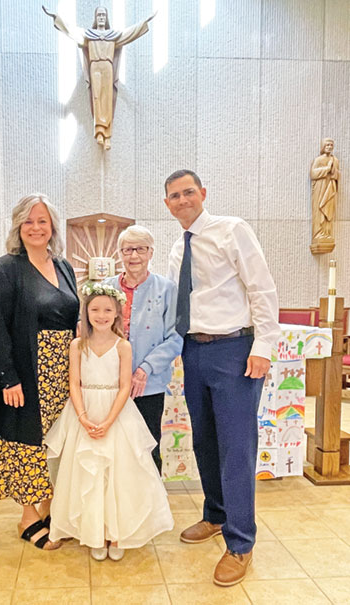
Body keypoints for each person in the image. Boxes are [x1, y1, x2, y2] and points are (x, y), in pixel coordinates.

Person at [164, 169, 280, 587]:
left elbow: (261, 289)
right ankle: (215, 515)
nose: (182, 200)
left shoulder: (233, 230)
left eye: (188, 192)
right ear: (167, 205)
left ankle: (241, 542)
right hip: (194, 350)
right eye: (174, 196)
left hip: (234, 349)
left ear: (203, 193)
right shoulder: (178, 246)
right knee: (204, 441)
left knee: (236, 448)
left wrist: (264, 345)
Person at [45, 283, 174, 561]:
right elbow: (74, 384)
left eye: (107, 310)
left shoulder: (123, 346)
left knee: (118, 474)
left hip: (116, 414)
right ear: (86, 312)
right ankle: (94, 532)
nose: (101, 315)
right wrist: (82, 417)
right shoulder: (77, 345)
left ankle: (116, 533)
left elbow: (125, 386)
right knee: (88, 473)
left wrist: (109, 420)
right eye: (94, 309)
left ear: (117, 313)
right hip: (85, 412)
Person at [0, 193, 79, 551]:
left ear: (52, 226)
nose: (36, 228)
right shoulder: (7, 268)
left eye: (42, 221)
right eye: (28, 221)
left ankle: (50, 507)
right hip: (26, 372)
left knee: (59, 442)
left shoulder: (64, 266)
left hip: (63, 374)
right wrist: (8, 377)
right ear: (18, 227)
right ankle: (27, 515)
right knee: (27, 443)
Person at [103, 225, 182, 472]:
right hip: (109, 383)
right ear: (119, 253)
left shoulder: (167, 289)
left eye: (140, 249)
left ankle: (150, 504)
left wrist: (144, 369)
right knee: (111, 446)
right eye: (127, 250)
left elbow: (176, 337)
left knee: (147, 446)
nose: (133, 256)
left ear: (151, 252)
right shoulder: (105, 288)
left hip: (148, 386)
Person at [43, 6, 154, 150]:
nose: (101, 17)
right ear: (95, 18)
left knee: (106, 99)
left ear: (106, 18)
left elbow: (130, 33)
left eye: (103, 15)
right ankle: (100, 132)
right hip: (95, 66)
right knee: (97, 98)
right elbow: (70, 29)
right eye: (99, 15)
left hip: (107, 66)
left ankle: (107, 134)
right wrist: (56, 17)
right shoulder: (88, 35)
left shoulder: (113, 36)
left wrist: (145, 21)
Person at [310, 138, 340, 244]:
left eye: (331, 145)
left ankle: (326, 234)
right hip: (320, 189)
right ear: (323, 146)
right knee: (319, 210)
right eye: (327, 145)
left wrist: (333, 171)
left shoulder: (335, 160)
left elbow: (337, 175)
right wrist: (326, 169)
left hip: (330, 188)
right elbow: (313, 173)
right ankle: (318, 233)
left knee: (328, 210)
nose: (330, 147)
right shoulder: (318, 160)